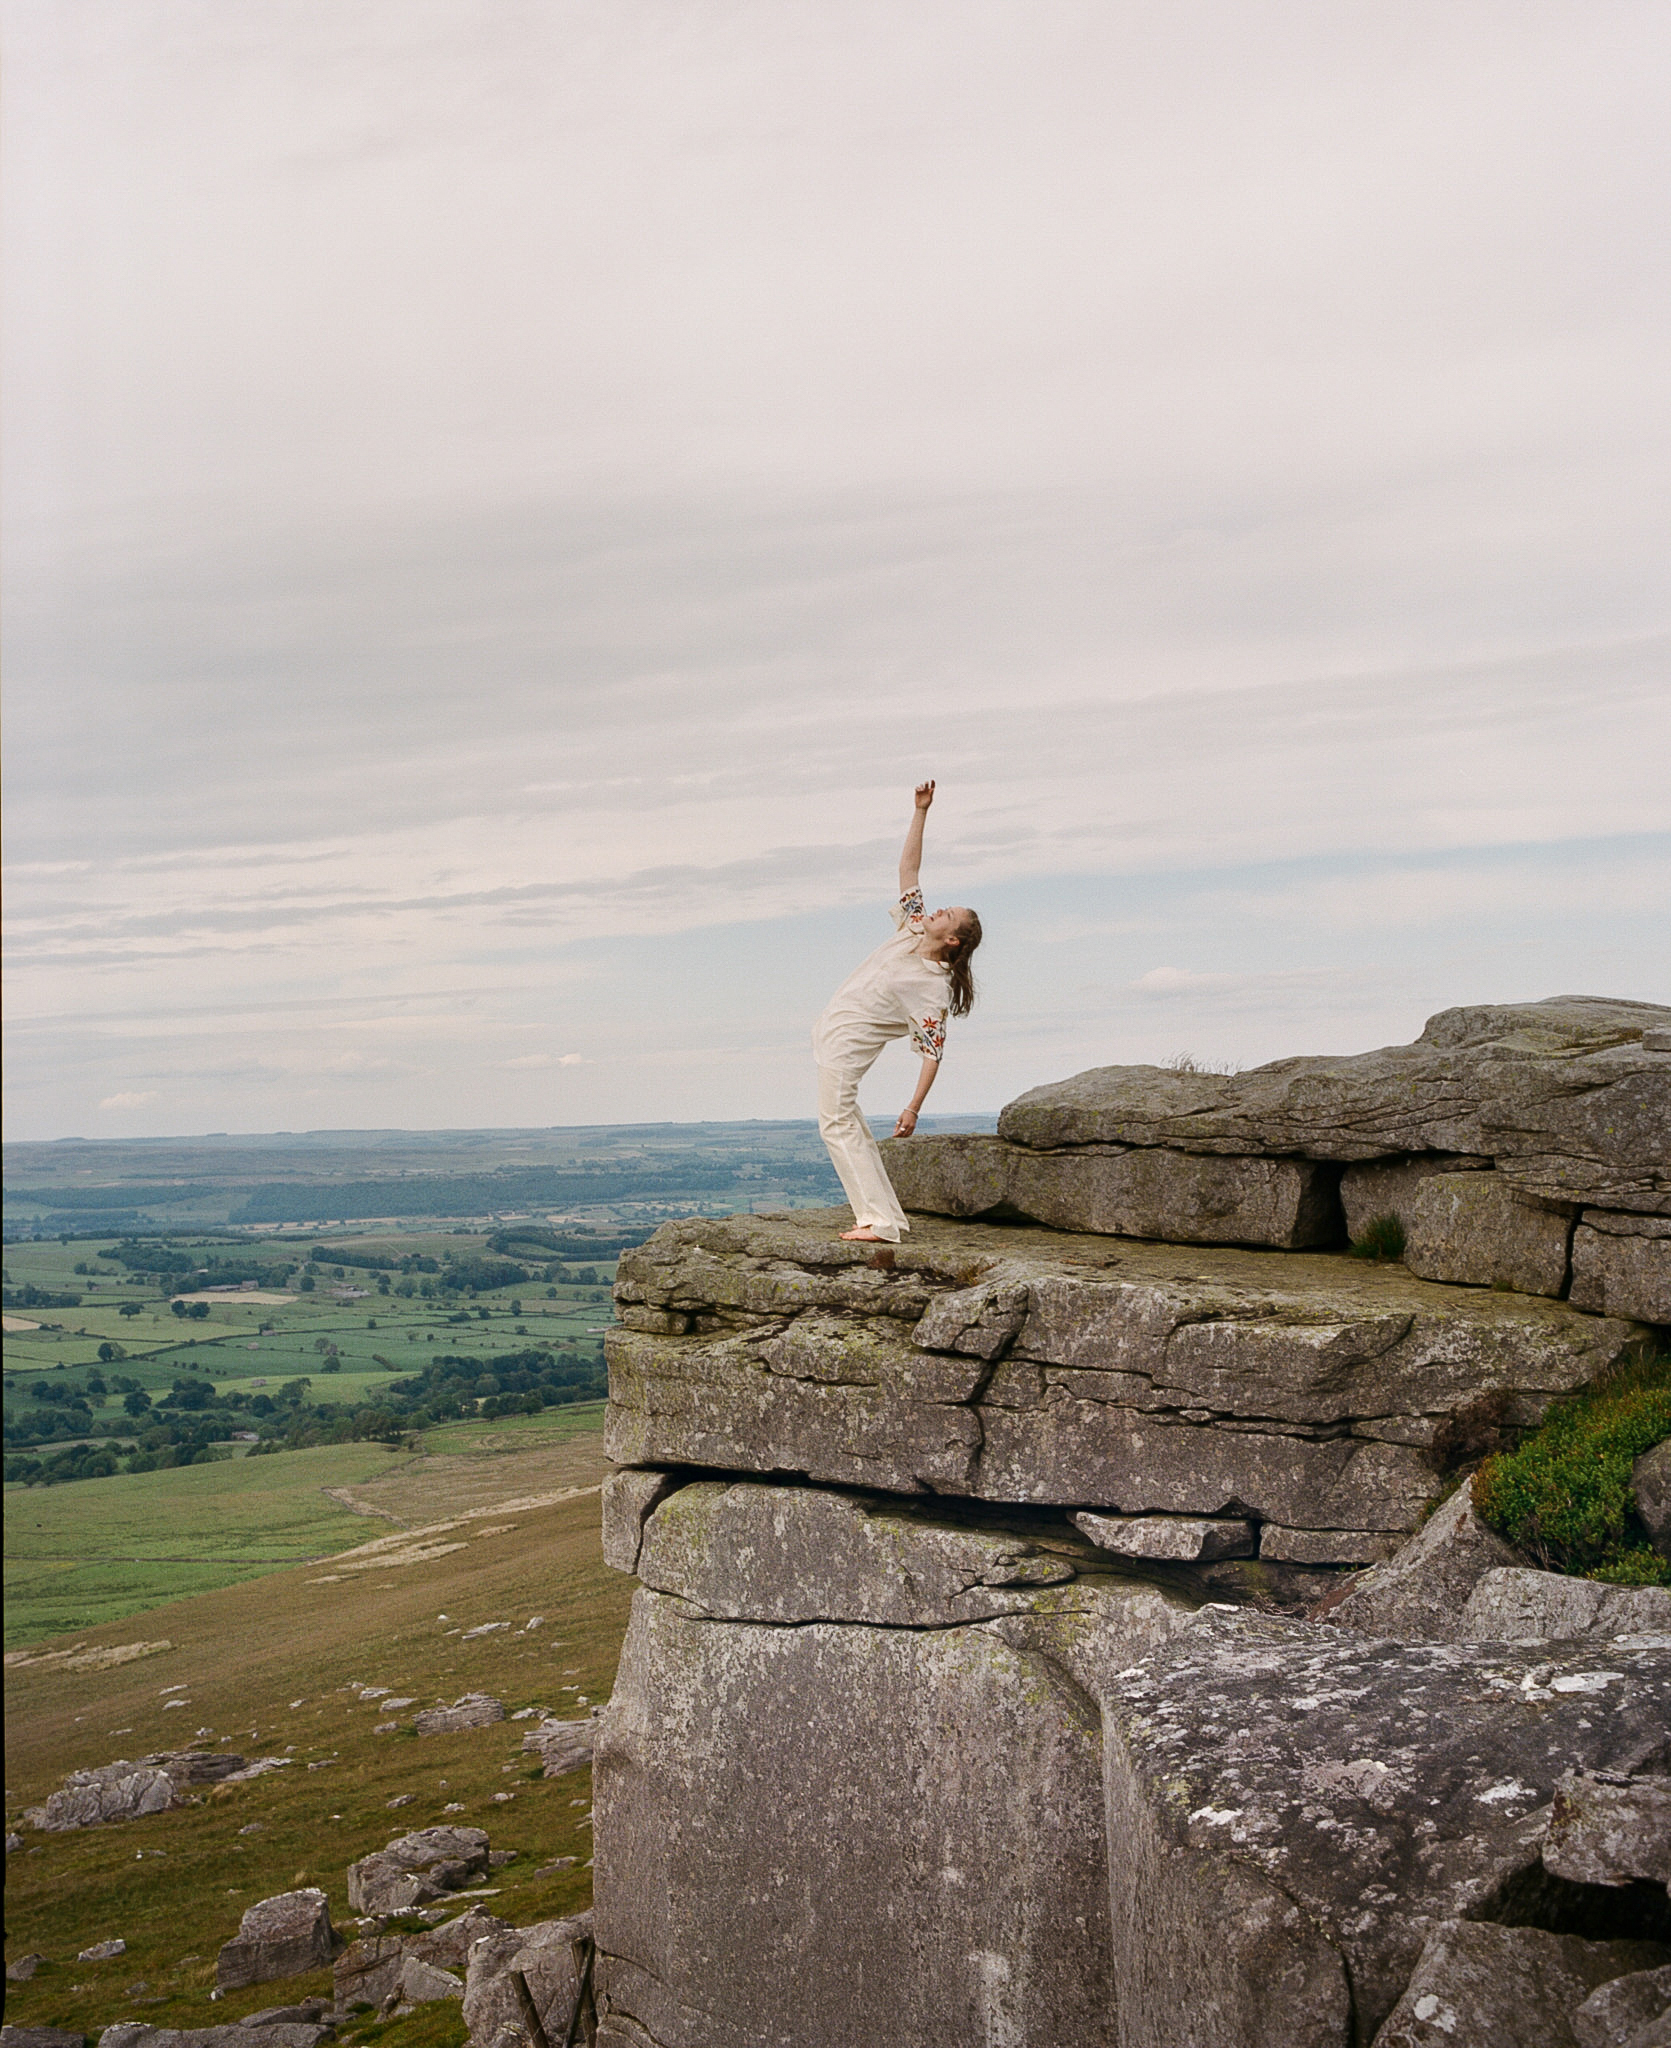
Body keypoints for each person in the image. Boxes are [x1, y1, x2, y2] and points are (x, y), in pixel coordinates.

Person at [812, 780, 983, 1243]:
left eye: (951, 914)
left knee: (836, 1124)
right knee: (850, 1127)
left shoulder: (932, 987)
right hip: (833, 1033)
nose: (941, 909)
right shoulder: (912, 930)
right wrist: (920, 812)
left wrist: (913, 1107)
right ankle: (889, 1216)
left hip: (847, 1048)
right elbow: (909, 868)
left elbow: (933, 1052)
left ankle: (880, 1224)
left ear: (953, 940)